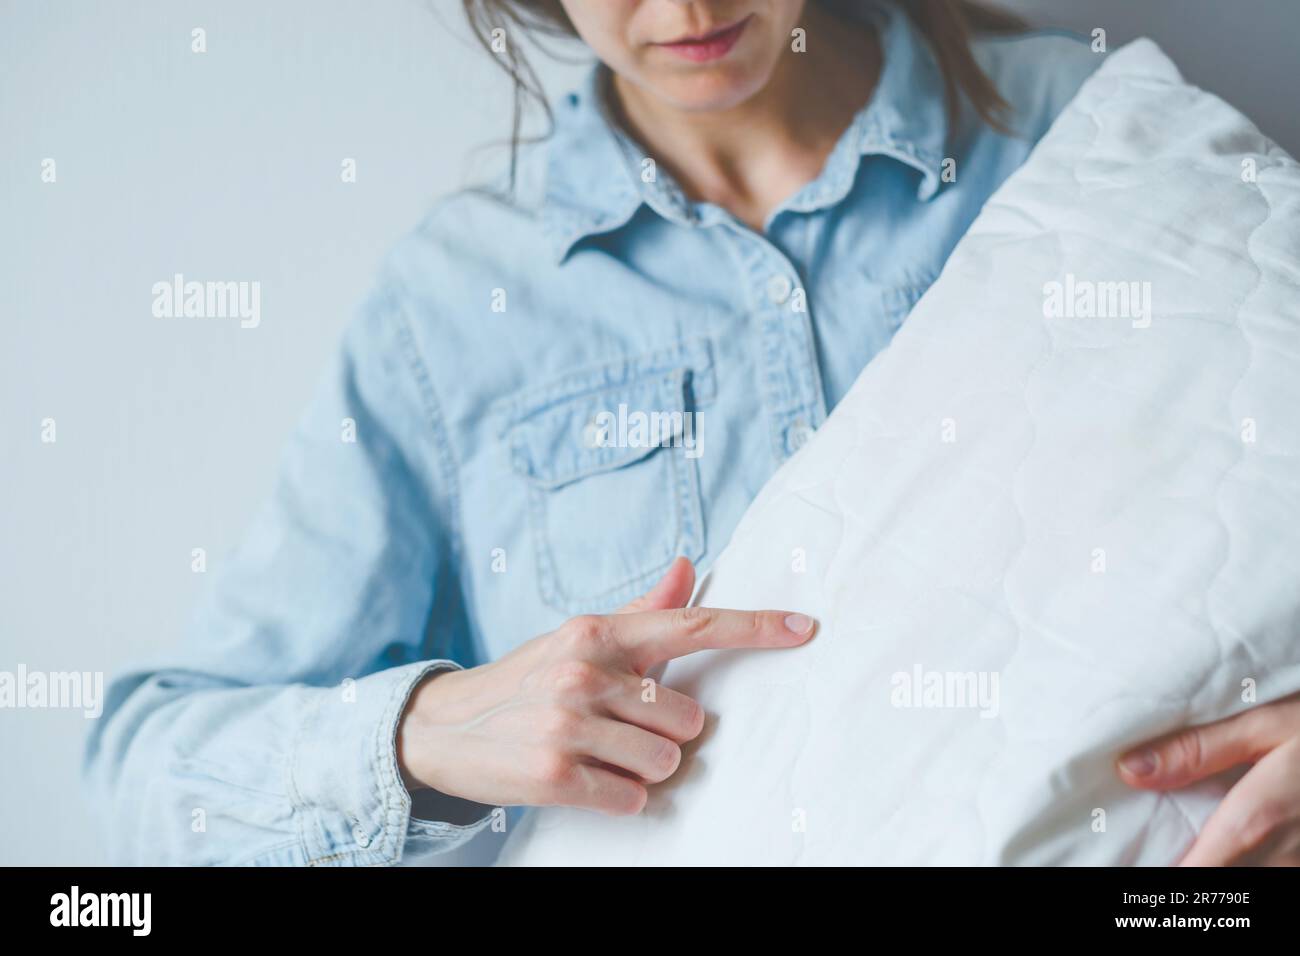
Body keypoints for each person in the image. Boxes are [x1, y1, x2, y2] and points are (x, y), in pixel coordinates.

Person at [84, 0, 1300, 866]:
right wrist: (428, 730)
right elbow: (148, 769)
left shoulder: (1098, 135)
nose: (682, 5)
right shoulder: (457, 303)